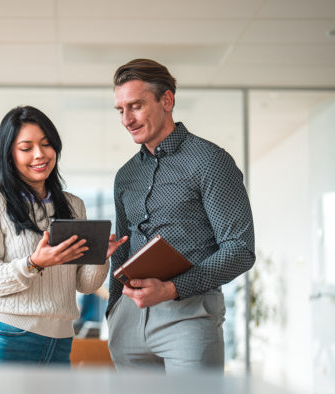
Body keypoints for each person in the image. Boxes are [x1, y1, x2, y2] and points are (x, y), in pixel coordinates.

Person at [107, 58, 255, 372]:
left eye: (135, 106)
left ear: (167, 100)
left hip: (189, 318)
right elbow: (121, 248)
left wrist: (172, 289)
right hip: (129, 323)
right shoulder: (125, 176)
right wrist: (114, 310)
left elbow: (240, 250)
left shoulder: (210, 162)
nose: (127, 119)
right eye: (120, 110)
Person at [0, 105, 127, 366]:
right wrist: (34, 263)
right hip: (8, 337)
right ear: (9, 154)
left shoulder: (74, 205)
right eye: (26, 147)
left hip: (60, 340)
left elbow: (85, 285)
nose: (39, 154)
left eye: (46, 144)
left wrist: (100, 256)